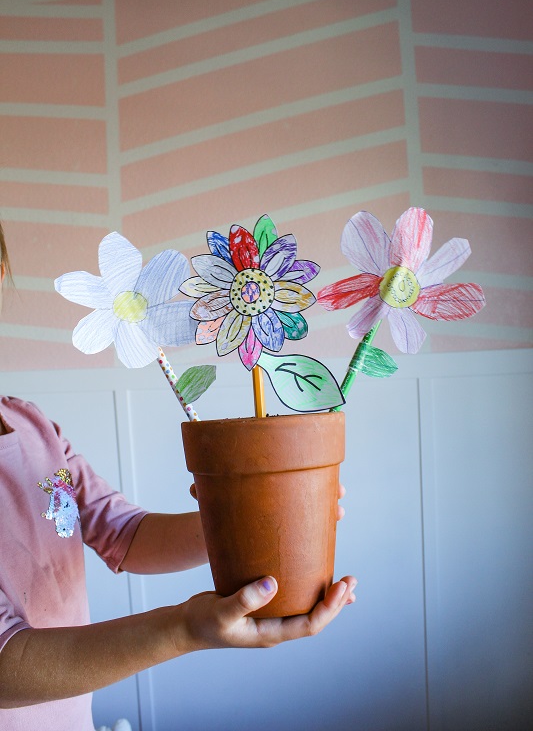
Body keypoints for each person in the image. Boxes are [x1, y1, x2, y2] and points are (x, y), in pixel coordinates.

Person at [0, 220, 356, 730]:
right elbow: (5, 661)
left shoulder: (33, 427)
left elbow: (123, 532)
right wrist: (185, 629)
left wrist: (249, 521)